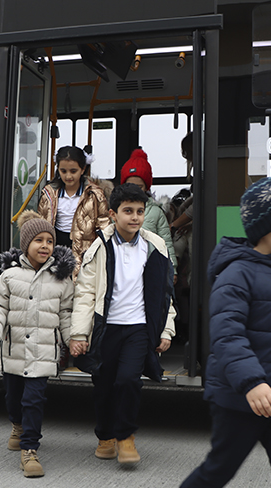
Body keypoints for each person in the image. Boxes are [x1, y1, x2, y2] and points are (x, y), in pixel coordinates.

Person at [181, 177, 271, 488]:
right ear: (264, 229)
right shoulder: (236, 274)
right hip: (239, 399)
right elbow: (228, 336)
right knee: (218, 470)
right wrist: (253, 383)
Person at [68, 183, 176, 466]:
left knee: (129, 380)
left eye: (140, 211)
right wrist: (79, 333)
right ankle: (105, 436)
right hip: (107, 329)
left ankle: (126, 437)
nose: (135, 217)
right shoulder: (99, 247)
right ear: (113, 214)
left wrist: (166, 329)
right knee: (104, 385)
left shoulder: (155, 245)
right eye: (128, 211)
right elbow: (85, 294)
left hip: (138, 329)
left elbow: (163, 294)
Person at [0, 210, 76, 478]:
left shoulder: (61, 279)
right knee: (13, 399)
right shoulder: (9, 276)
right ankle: (17, 424)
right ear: (26, 244)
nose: (45, 246)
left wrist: (72, 340)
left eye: (49, 241)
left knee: (34, 399)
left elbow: (66, 314)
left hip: (44, 352)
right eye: (38, 240)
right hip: (14, 351)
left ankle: (29, 450)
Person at [38, 145, 112, 269]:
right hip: (55, 247)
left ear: (83, 169)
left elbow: (104, 226)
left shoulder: (94, 193)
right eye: (63, 171)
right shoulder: (49, 193)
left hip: (85, 251)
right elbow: (41, 222)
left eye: (73, 171)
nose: (68, 176)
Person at [119, 148, 178, 282]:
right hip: (123, 268)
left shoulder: (156, 212)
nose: (134, 190)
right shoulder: (116, 211)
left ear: (147, 187)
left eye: (139, 187)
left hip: (151, 267)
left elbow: (166, 242)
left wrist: (172, 268)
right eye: (130, 186)